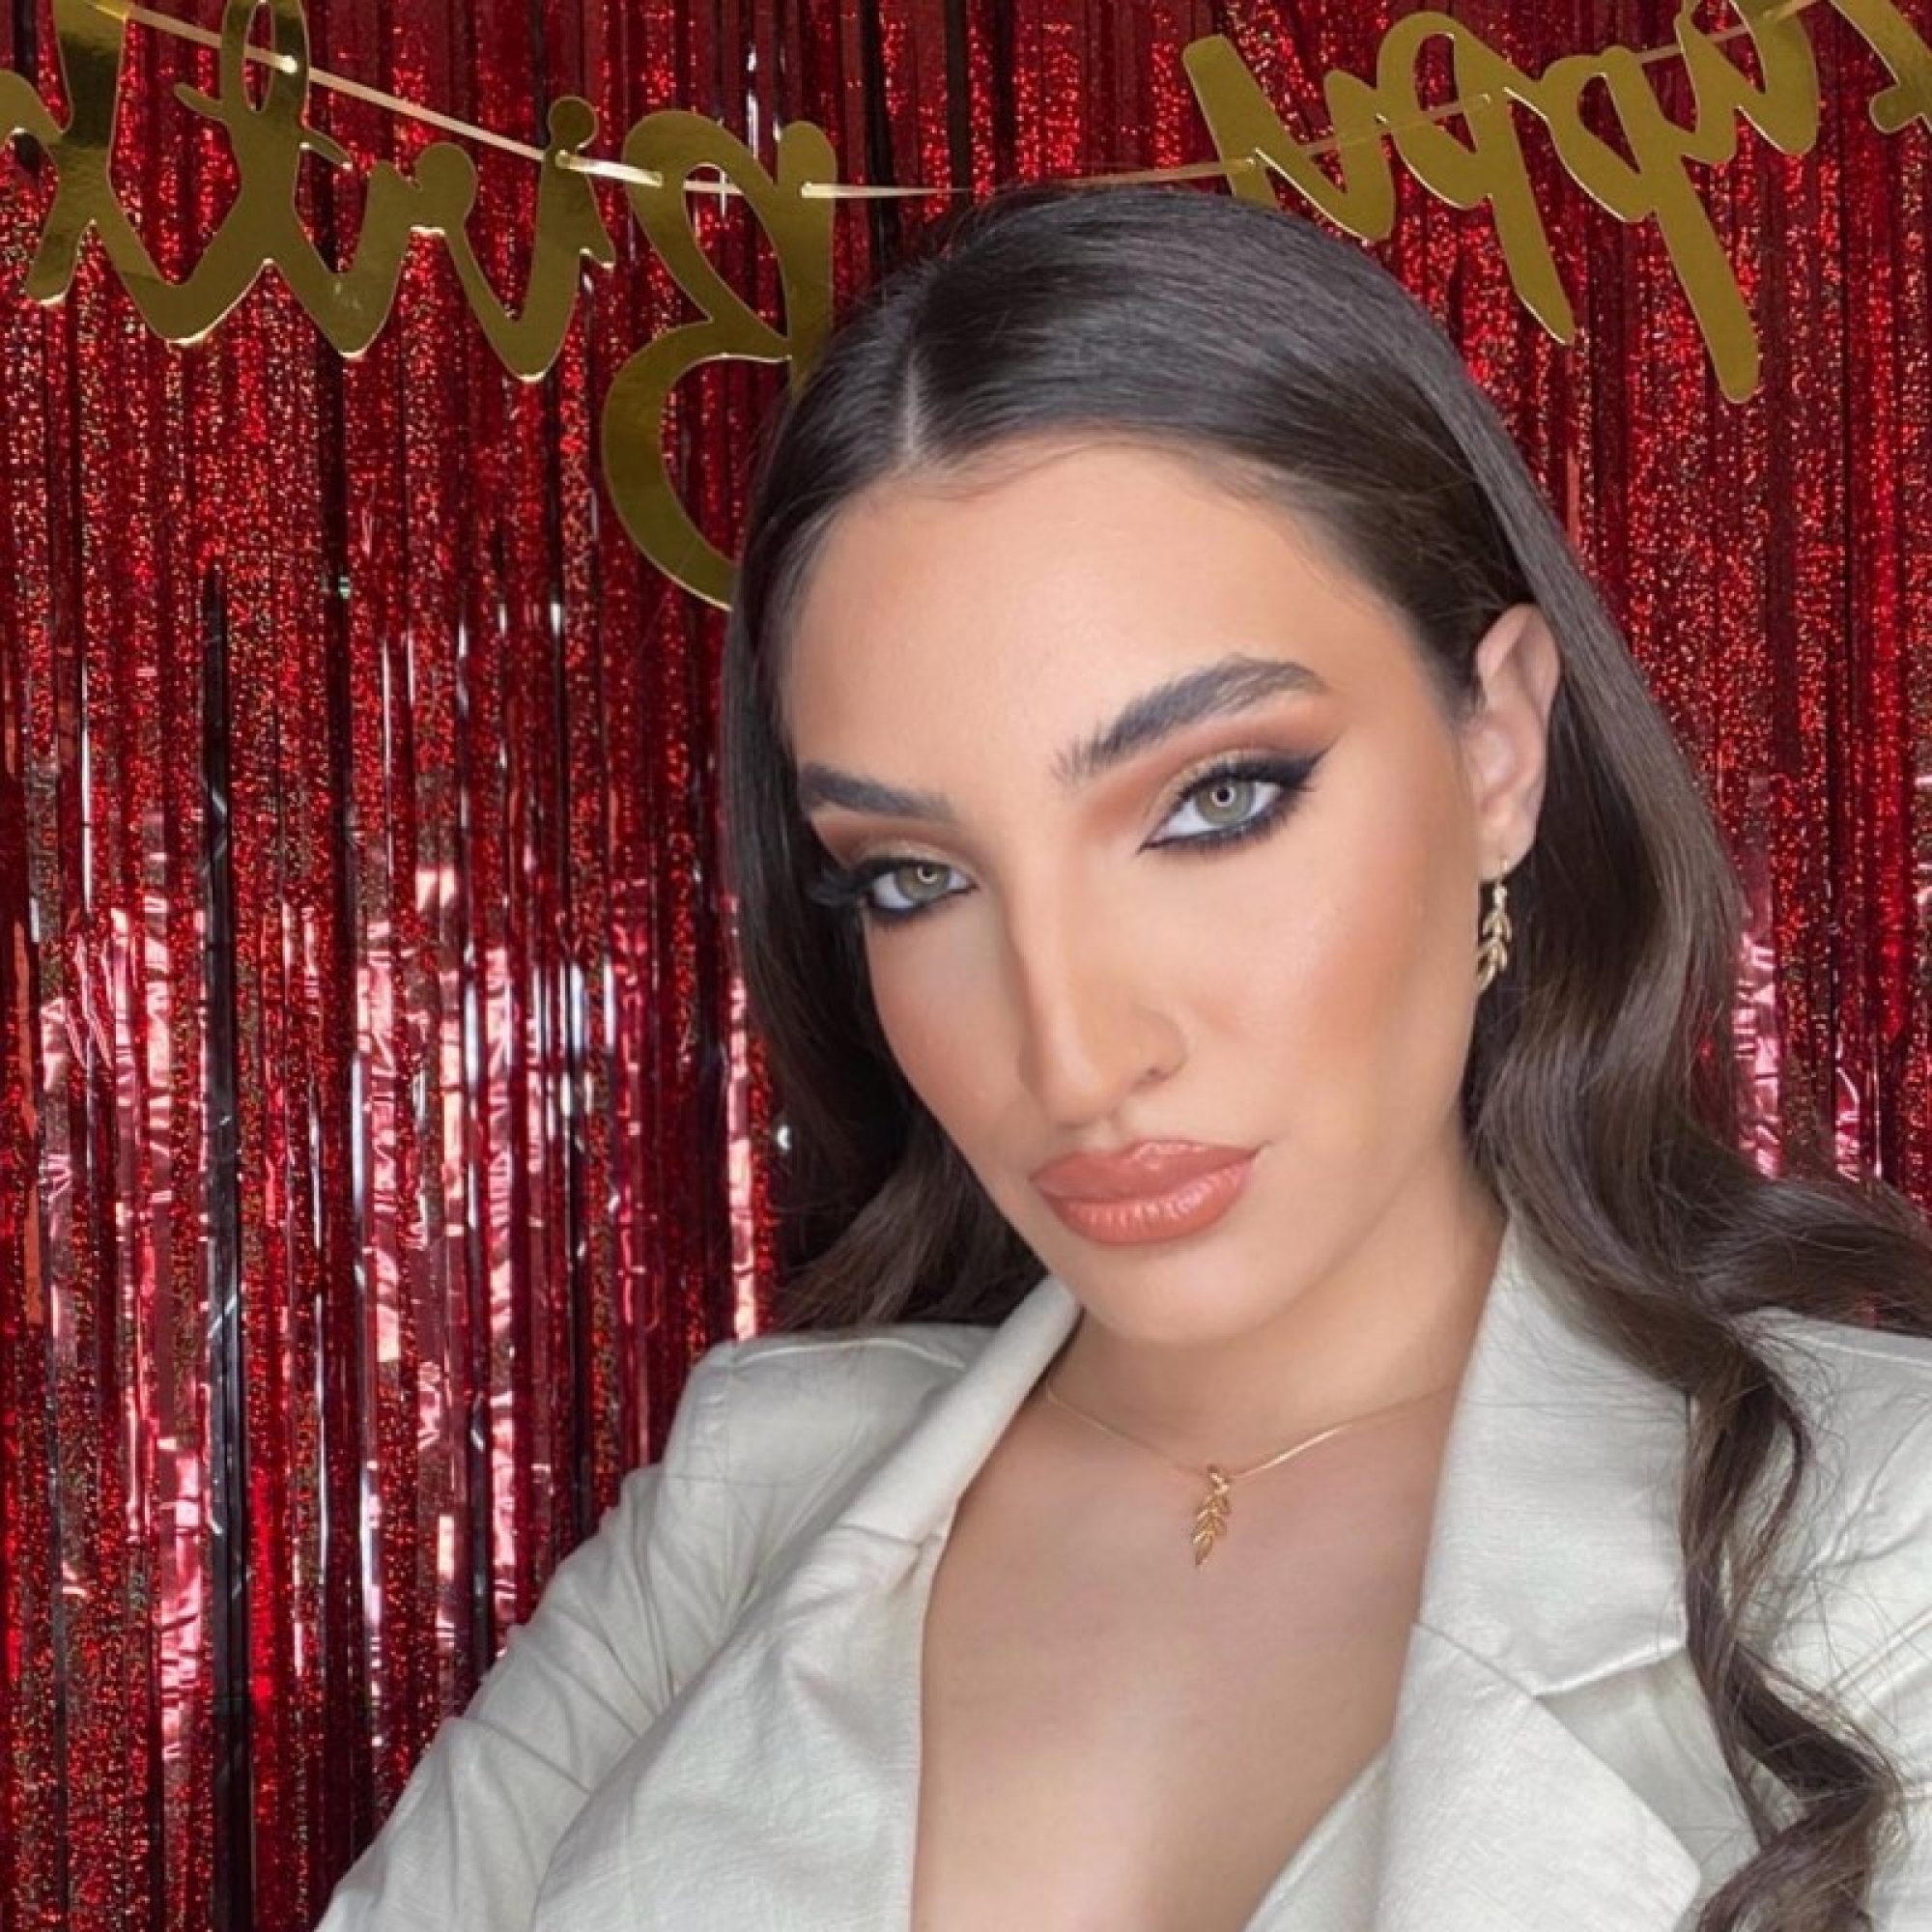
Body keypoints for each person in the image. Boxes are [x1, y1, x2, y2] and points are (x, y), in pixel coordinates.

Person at [319, 184, 1932, 1931]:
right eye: (916, 877)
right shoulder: (747, 1505)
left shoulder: (1882, 1534)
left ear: (1499, 750)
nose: (1075, 1052)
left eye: (1217, 800)